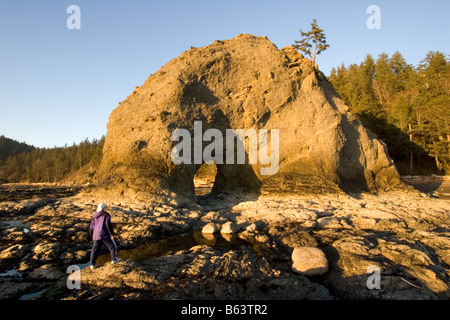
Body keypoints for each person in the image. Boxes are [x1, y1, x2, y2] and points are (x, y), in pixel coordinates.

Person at [89, 203, 122, 269]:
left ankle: (92, 264)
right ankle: (114, 259)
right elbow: (108, 225)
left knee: (95, 250)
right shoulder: (106, 215)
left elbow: (91, 227)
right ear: (103, 208)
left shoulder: (94, 216)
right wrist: (112, 234)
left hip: (96, 234)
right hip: (104, 233)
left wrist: (92, 235)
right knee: (112, 245)